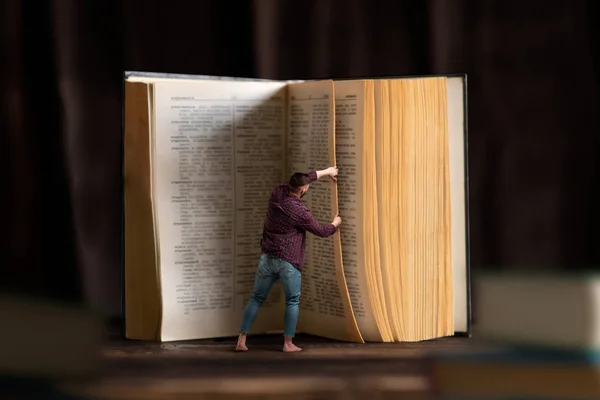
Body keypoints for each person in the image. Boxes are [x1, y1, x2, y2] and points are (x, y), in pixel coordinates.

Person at [236, 166, 342, 353]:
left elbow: (305, 178)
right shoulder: (300, 212)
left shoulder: (277, 192)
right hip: (289, 261)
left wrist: (326, 171)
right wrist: (335, 223)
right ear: (303, 190)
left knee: (256, 298)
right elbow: (322, 231)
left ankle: (241, 340)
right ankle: (287, 343)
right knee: (292, 300)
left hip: (267, 258)